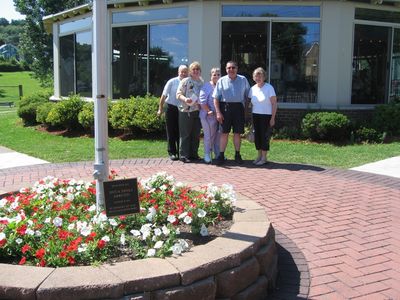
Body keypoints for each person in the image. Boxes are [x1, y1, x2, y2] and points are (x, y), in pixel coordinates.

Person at [213, 61, 250, 165]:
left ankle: (237, 155)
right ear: (226, 69)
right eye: (229, 68)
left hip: (239, 108)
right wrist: (218, 112)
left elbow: (248, 97)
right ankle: (221, 155)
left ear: (237, 68)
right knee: (224, 133)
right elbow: (216, 98)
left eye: (233, 67)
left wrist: (246, 111)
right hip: (225, 108)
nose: (231, 70)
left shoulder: (243, 80)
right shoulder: (221, 80)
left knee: (237, 133)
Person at [157, 65, 188, 161]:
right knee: (170, 131)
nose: (183, 73)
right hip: (171, 108)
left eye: (185, 72)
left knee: (181, 131)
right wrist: (160, 109)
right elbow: (163, 96)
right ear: (178, 72)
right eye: (181, 72)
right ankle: (172, 153)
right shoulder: (172, 81)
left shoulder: (189, 82)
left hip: (183, 109)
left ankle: (181, 153)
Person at [248, 67, 277, 165]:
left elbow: (274, 104)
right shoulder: (252, 89)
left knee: (264, 137)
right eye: (256, 75)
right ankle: (259, 156)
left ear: (264, 77)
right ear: (253, 77)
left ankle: (264, 158)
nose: (258, 77)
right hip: (256, 115)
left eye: (260, 75)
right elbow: (251, 104)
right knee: (258, 137)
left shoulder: (269, 88)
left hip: (266, 116)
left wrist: (272, 118)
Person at [176, 61, 204, 163]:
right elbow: (178, 94)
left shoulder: (201, 82)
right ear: (190, 71)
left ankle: (194, 154)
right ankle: (184, 155)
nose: (196, 71)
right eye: (193, 69)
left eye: (197, 69)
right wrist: (185, 99)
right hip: (186, 111)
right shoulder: (185, 81)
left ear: (200, 71)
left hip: (197, 111)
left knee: (196, 134)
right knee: (186, 134)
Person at [199, 67, 221, 163]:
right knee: (209, 136)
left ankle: (217, 154)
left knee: (218, 136)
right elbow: (202, 101)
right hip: (208, 115)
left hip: (218, 115)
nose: (216, 76)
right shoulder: (206, 86)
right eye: (214, 74)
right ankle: (207, 154)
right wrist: (208, 111)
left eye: (218, 74)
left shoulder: (221, 86)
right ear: (210, 76)